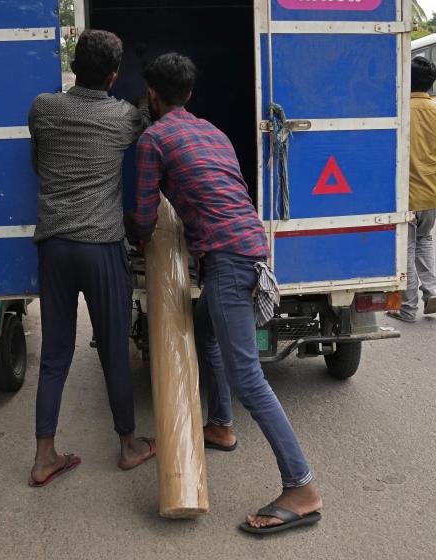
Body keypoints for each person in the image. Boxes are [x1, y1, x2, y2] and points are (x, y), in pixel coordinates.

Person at [129, 53, 323, 535]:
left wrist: (136, 243)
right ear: (190, 94)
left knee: (249, 377)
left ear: (153, 96)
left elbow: (143, 213)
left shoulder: (154, 138)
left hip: (229, 264)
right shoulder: (214, 133)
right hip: (250, 251)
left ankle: (301, 487)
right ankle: (220, 424)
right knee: (204, 331)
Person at [27, 29, 155, 487]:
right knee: (115, 349)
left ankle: (44, 456)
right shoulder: (124, 118)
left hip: (54, 245)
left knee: (55, 355)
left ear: (73, 64)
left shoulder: (43, 108)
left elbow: (39, 166)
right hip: (101, 246)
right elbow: (148, 117)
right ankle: (129, 444)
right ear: (114, 75)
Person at [387, 56, 436, 323]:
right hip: (432, 195)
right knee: (425, 240)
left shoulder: (396, 111)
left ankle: (407, 309)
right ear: (433, 82)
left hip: (404, 197)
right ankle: (432, 291)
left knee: (406, 249)